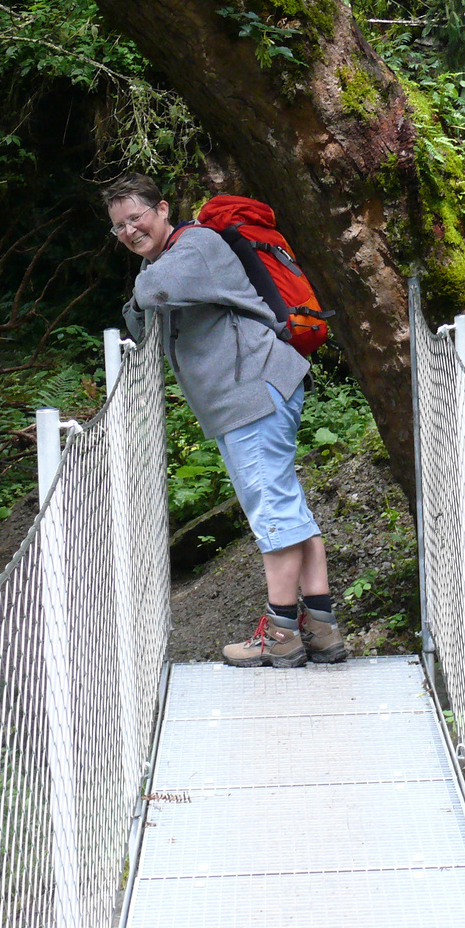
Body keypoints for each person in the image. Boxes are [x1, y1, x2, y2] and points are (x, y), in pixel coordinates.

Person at [106, 172, 348, 668]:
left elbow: (152, 295)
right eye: (119, 226)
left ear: (163, 210)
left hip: (253, 394)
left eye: (137, 217)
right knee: (286, 506)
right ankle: (321, 628)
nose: (130, 231)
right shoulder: (178, 257)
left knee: (273, 513)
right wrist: (141, 294)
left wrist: (141, 288)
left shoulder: (194, 248)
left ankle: (281, 633)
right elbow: (139, 316)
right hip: (257, 391)